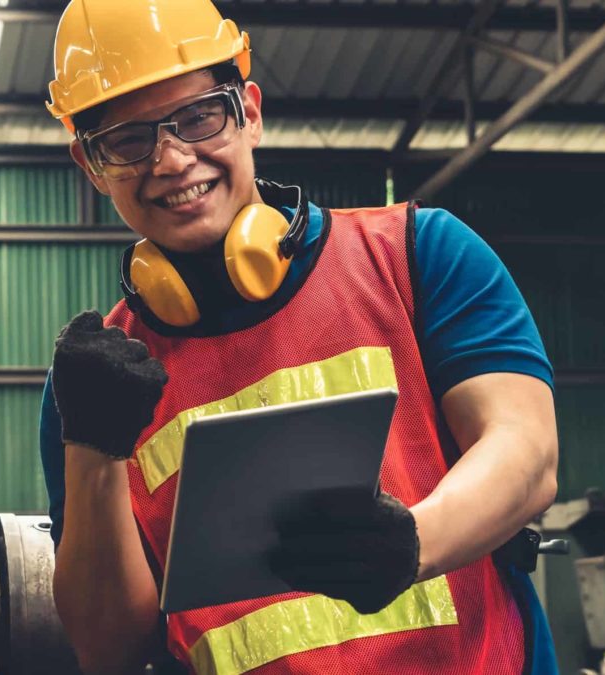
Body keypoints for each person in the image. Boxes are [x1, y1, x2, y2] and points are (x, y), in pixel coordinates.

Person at [39, 1, 560, 673]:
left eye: (198, 116)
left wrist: (413, 542)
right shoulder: (92, 388)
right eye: (128, 140)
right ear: (91, 164)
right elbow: (109, 645)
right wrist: (92, 451)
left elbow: (528, 451)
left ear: (249, 112)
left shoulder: (417, 255)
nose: (170, 159)